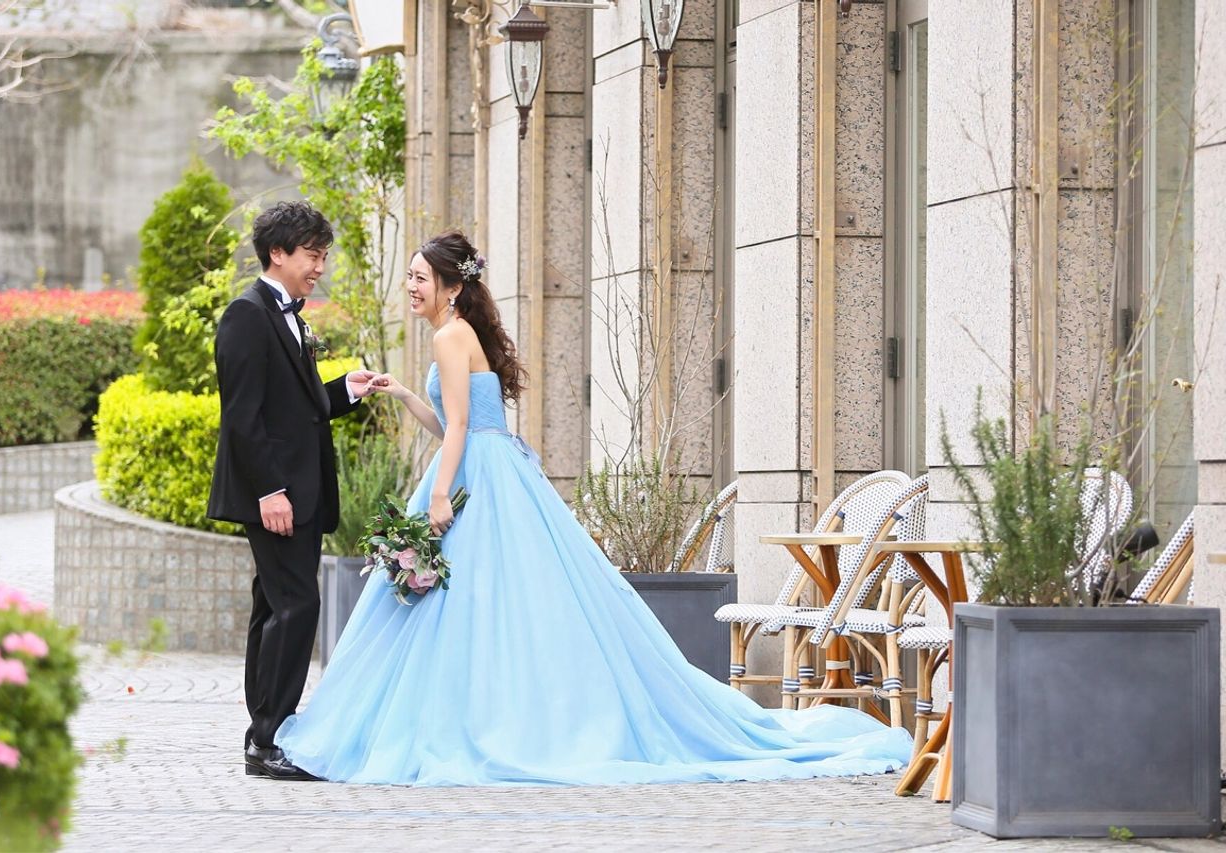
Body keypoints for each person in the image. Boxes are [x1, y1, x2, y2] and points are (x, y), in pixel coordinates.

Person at [274, 230, 912, 785]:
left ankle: (472, 723)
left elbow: (462, 430)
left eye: (419, 277)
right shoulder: (459, 333)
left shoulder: (450, 335)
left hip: (477, 478)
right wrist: (405, 394)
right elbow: (452, 426)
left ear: (451, 286)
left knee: (469, 603)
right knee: (487, 603)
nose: (411, 286)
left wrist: (439, 495)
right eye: (412, 276)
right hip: (490, 468)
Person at [207, 201, 379, 781]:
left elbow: (299, 409)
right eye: (312, 255)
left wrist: (346, 389)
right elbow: (242, 418)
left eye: (324, 255)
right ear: (277, 253)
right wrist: (269, 491)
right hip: (278, 496)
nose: (320, 267)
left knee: (274, 606)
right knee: (296, 605)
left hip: (298, 492)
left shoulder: (288, 316)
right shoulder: (246, 315)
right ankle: (269, 738)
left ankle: (265, 732)